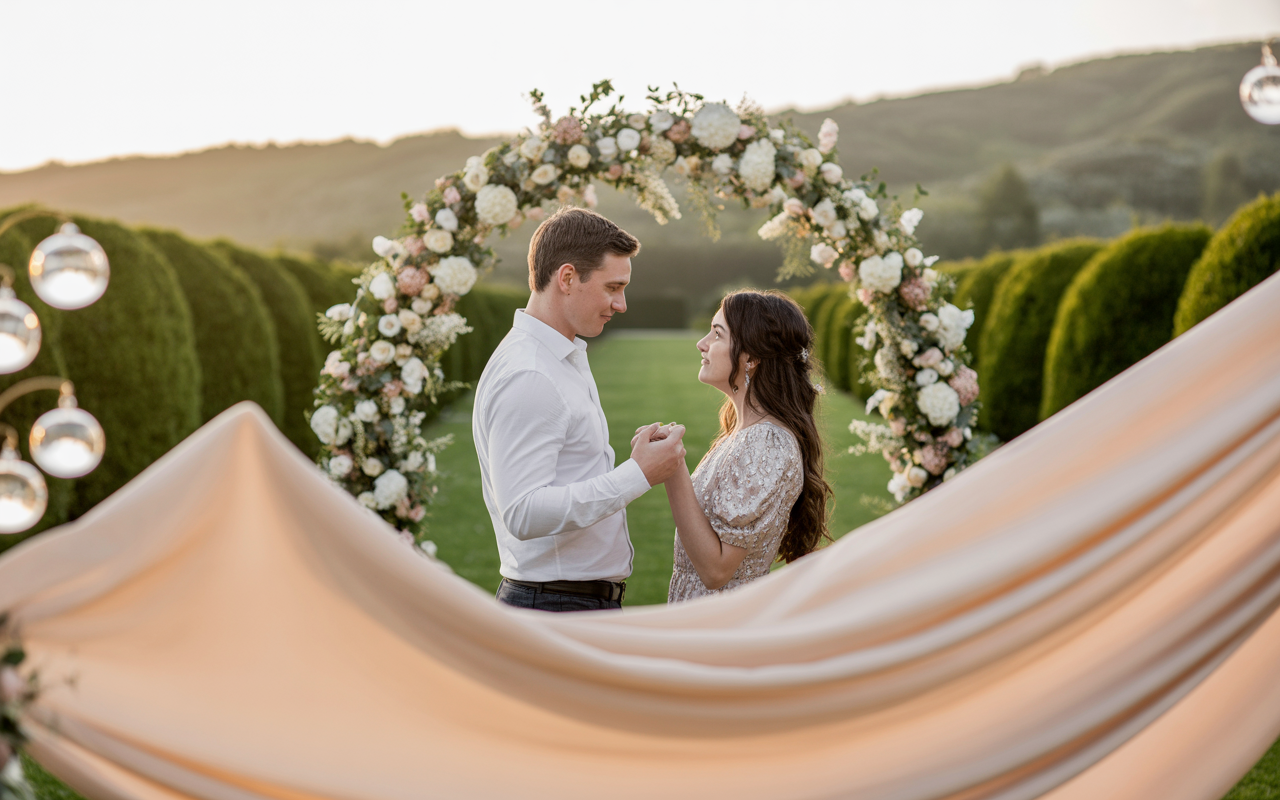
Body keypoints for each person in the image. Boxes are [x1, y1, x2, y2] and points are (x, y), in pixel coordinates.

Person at [474, 207, 687, 612]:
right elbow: (522, 511)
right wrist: (637, 474)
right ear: (568, 278)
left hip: (567, 601)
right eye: (612, 287)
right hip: (556, 606)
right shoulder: (531, 374)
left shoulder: (557, 356)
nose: (621, 304)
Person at [652, 289, 833, 603]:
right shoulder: (743, 435)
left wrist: (674, 467)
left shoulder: (766, 444)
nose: (702, 344)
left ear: (751, 359)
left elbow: (716, 570)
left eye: (717, 334)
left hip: (718, 629)